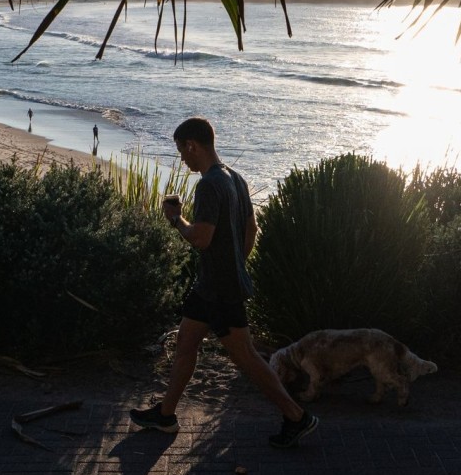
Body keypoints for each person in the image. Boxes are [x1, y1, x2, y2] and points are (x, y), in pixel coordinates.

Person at [129, 117, 319, 449]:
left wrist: (176, 220)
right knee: (186, 344)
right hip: (212, 285)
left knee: (246, 357)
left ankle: (296, 416)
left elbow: (200, 238)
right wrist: (235, 263)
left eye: (182, 151)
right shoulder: (236, 178)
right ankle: (166, 415)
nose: (182, 159)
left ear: (193, 146)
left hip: (220, 289)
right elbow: (251, 230)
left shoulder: (208, 186)